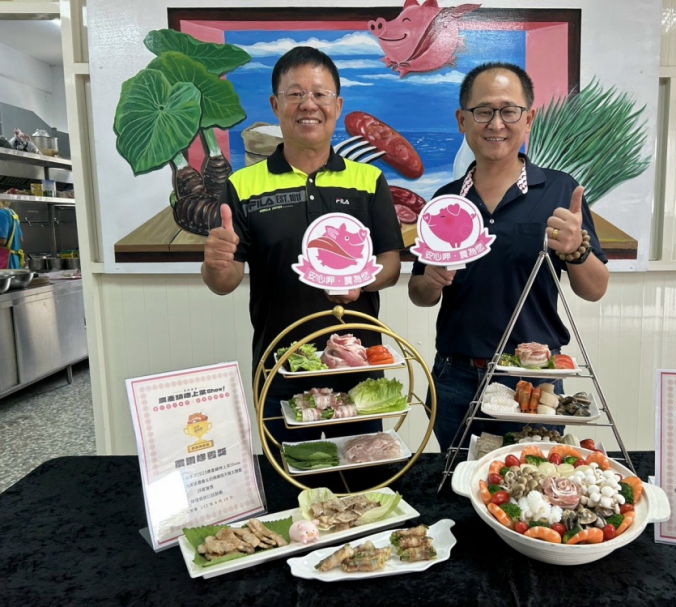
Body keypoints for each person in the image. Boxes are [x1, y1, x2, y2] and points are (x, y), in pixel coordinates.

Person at [202, 46, 403, 443]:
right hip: (282, 365)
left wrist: (365, 281)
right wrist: (215, 261)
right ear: (276, 105)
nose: (308, 104)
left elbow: (391, 264)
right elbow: (223, 282)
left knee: (363, 484)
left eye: (319, 93)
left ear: (338, 104)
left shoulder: (368, 180)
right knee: (289, 487)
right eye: (295, 94)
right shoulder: (244, 184)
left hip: (356, 366)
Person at [408, 62, 609, 451]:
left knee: (529, 492)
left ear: (529, 118)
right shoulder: (445, 201)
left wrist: (577, 249)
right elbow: (420, 293)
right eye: (483, 111)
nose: (496, 124)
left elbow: (596, 289)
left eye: (509, 111)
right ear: (462, 120)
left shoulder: (560, 190)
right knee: (460, 486)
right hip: (456, 377)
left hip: (532, 378)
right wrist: (431, 279)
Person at [0, 200, 23, 269]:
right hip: (14, 260)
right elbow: (21, 239)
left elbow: (2, 241)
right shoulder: (11, 213)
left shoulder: (1, 214)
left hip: (4, 261)